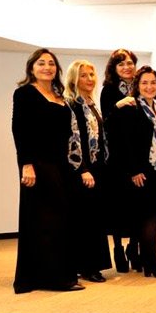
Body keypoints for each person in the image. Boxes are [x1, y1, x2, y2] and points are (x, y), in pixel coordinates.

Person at [12, 48, 84, 293]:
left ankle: (61, 274)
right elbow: (19, 131)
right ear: (31, 68)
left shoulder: (58, 95)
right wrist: (27, 164)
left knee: (62, 220)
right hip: (38, 164)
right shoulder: (24, 94)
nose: (47, 67)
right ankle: (50, 279)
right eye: (41, 63)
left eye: (51, 63)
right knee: (44, 222)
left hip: (61, 164)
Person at [111, 66, 156, 278]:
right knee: (150, 216)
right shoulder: (132, 107)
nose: (149, 86)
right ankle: (151, 263)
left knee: (153, 215)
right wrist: (134, 170)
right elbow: (125, 142)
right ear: (137, 86)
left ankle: (147, 261)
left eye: (153, 82)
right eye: (145, 83)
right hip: (142, 172)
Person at [64, 60, 112, 282]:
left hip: (98, 168)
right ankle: (86, 266)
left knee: (94, 219)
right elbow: (72, 140)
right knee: (84, 220)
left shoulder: (91, 103)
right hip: (81, 169)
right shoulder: (71, 104)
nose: (89, 79)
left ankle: (91, 264)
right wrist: (83, 169)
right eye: (84, 75)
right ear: (74, 78)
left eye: (92, 74)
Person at [100, 49, 140, 273]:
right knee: (117, 207)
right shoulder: (109, 90)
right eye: (121, 64)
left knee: (136, 206)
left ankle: (134, 248)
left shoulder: (139, 87)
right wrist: (119, 105)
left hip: (136, 157)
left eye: (130, 63)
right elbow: (105, 121)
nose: (127, 67)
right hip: (115, 160)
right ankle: (117, 248)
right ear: (114, 68)